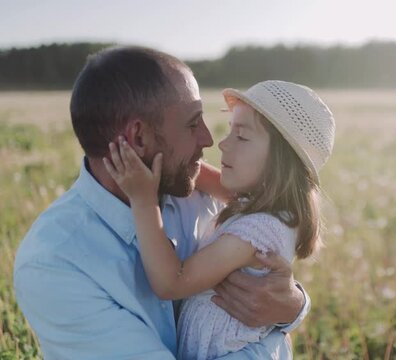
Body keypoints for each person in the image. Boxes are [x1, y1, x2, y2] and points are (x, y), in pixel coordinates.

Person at [13, 46, 309, 359]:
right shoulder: (55, 263)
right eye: (193, 123)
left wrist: (292, 305)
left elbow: (268, 220)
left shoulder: (195, 191)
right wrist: (271, 345)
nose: (209, 140)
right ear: (139, 139)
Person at [103, 80, 335, 358]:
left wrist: (143, 200)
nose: (223, 144)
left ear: (279, 163)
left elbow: (172, 282)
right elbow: (200, 175)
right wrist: (163, 150)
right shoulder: (267, 207)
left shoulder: (259, 229)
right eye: (229, 132)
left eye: (242, 136)